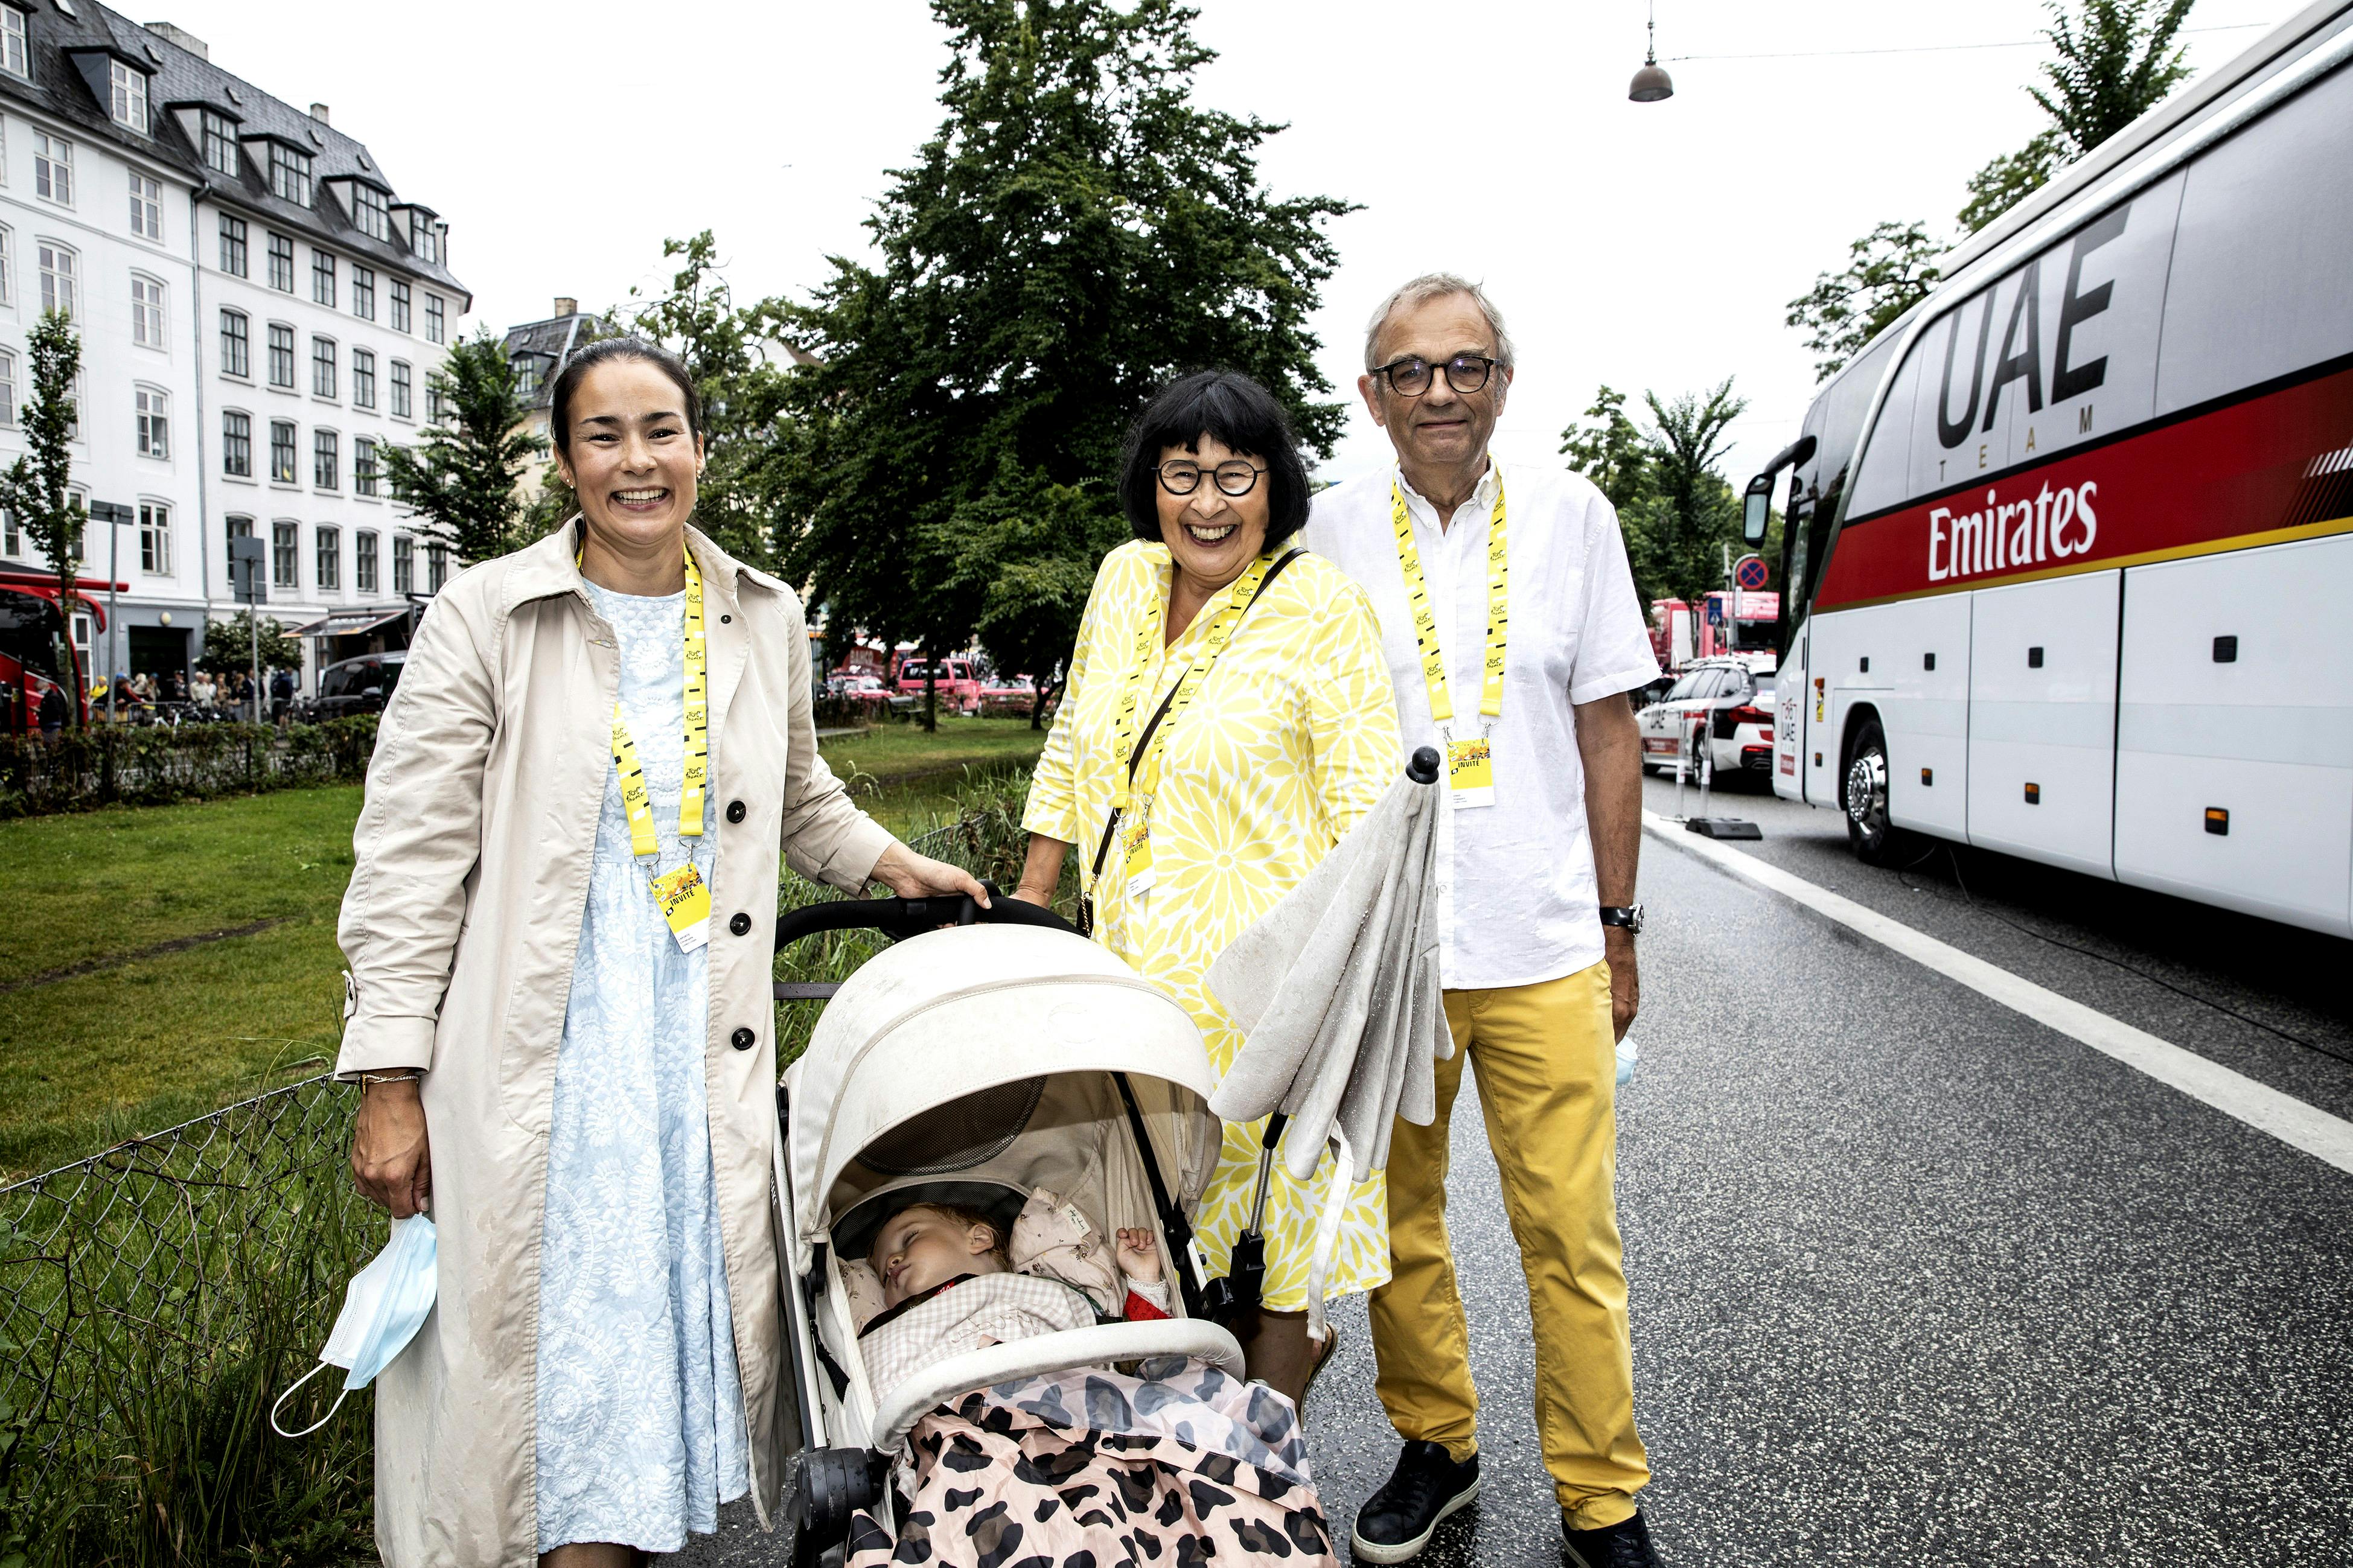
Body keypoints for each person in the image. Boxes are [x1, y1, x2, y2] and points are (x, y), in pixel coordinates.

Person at [336, 336, 988, 1568]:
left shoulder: (763, 614)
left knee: (642, 1388)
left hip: (690, 1063)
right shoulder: (488, 616)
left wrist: (894, 865)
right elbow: (409, 860)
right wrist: (388, 1079)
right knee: (541, 1371)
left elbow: (800, 797)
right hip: (546, 1070)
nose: (636, 462)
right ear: (565, 460)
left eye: (660, 431)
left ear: (697, 446)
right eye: (603, 435)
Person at [1303, 275, 1663, 1568]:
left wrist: (1619, 928)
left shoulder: (1574, 517)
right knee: (1396, 1227)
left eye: (1464, 366)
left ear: (1503, 381)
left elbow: (1606, 728)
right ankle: (1437, 1443)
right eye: (1409, 371)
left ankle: (1600, 1494)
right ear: (1371, 396)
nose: (1438, 391)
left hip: (1544, 939)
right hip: (1392, 956)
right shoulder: (1324, 531)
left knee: (1569, 1234)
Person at [1011, 369, 1403, 1409]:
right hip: (1121, 983)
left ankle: (1262, 1475)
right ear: (1153, 484)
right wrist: (1026, 909)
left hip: (1264, 995)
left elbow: (1374, 816)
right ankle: (1161, 1442)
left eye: (1236, 474)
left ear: (1275, 488)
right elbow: (1070, 748)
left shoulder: (1318, 603)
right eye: (1183, 474)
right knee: (1142, 1224)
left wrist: (1339, 1000)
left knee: (1270, 1238)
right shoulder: (1123, 581)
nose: (1208, 503)